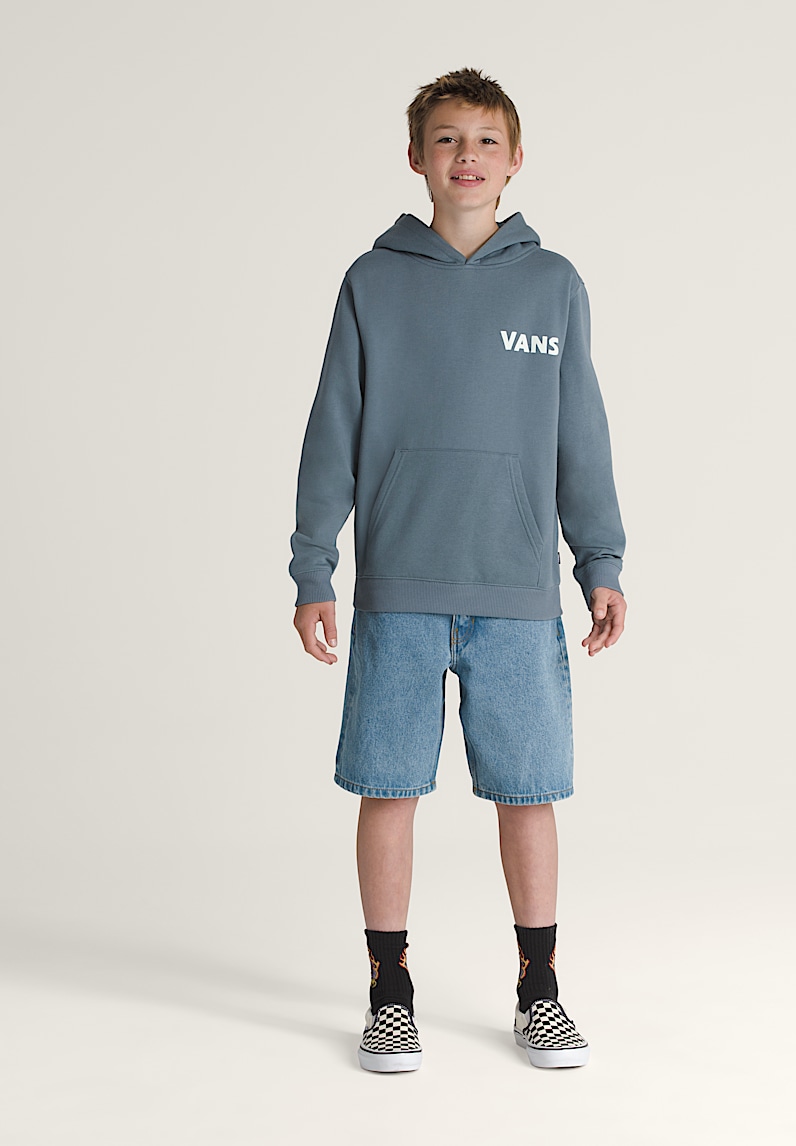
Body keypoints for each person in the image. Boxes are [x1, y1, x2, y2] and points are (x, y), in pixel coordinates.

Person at [289, 67, 627, 1072]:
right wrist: (313, 568)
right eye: (445, 139)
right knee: (387, 789)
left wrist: (599, 560)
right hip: (399, 589)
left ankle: (539, 990)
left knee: (529, 794)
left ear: (514, 159)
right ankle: (388, 993)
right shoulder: (373, 280)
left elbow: (581, 435)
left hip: (517, 593)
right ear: (415, 158)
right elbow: (331, 430)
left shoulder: (552, 283)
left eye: (484, 140)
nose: (465, 156)